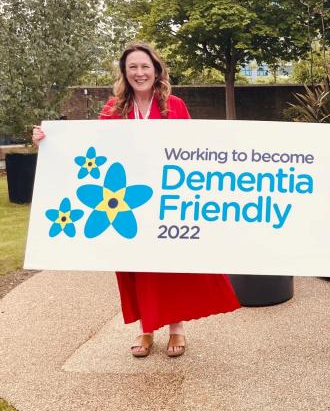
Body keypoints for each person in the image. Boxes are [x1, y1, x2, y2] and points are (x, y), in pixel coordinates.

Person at [32, 42, 241, 358]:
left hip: (166, 199)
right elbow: (93, 154)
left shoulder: (176, 106)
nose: (140, 73)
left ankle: (176, 327)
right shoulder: (112, 110)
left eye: (145, 66)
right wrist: (51, 143)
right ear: (124, 73)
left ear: (156, 70)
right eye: (133, 67)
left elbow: (192, 152)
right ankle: (145, 329)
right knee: (137, 266)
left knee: (172, 266)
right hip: (126, 202)